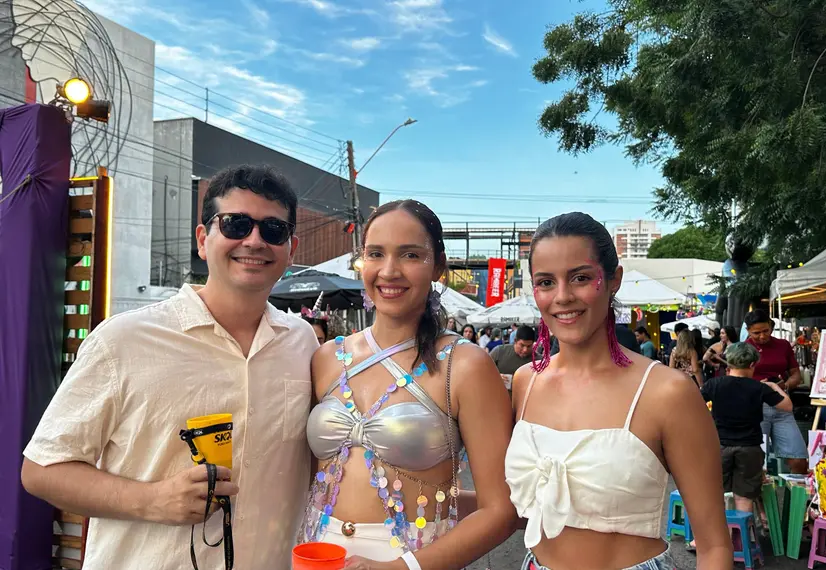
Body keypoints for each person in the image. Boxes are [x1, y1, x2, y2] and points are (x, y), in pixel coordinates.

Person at [20, 165, 318, 569]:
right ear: (202, 239)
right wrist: (152, 501)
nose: (254, 240)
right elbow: (42, 469)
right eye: (235, 224)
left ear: (291, 247)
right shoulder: (123, 341)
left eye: (273, 230)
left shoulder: (302, 343)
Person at [505, 212, 731, 570]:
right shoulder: (525, 382)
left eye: (580, 278)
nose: (562, 297)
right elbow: (522, 511)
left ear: (614, 280)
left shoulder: (668, 392)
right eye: (546, 282)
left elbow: (714, 546)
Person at [302, 200, 517, 568]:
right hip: (317, 552)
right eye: (376, 254)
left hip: (415, 560)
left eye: (410, 255)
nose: (389, 271)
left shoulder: (464, 365)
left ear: (439, 267)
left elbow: (502, 510)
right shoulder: (325, 358)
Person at [701, 343, 791, 514]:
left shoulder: (714, 384)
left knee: (714, 493)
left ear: (729, 363)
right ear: (752, 365)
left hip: (719, 445)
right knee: (744, 496)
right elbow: (787, 406)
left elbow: (693, 403)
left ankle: (712, 537)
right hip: (750, 448)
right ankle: (740, 537)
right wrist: (776, 387)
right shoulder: (759, 388)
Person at [744, 309, 809, 474]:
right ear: (748, 331)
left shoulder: (782, 345)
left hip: (781, 406)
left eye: (766, 331)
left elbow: (796, 375)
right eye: (756, 333)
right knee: (756, 463)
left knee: (799, 459)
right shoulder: (743, 349)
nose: (762, 336)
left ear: (771, 326)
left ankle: (795, 499)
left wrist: (784, 386)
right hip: (754, 409)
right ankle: (758, 500)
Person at [490, 325, 536, 392]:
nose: (525, 350)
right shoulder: (499, 351)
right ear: (515, 341)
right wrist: (494, 376)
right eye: (522, 345)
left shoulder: (538, 360)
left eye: (529, 346)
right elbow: (482, 371)